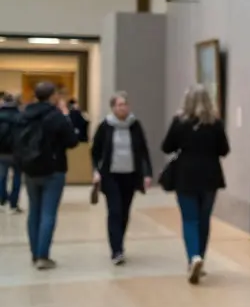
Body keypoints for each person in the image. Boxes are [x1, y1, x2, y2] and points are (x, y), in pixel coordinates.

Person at [161, 85, 229, 284]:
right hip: (210, 176)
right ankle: (201, 258)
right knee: (204, 219)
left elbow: (166, 147)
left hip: (185, 175)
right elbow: (224, 150)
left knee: (190, 219)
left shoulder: (179, 122)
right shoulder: (215, 123)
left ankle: (193, 257)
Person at [15, 82, 79, 269]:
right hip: (54, 169)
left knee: (34, 211)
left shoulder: (24, 115)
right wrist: (66, 117)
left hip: (30, 168)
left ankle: (35, 253)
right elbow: (72, 141)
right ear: (53, 96)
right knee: (48, 212)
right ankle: (43, 256)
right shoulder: (56, 116)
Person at [91, 92, 154, 265]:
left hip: (130, 175)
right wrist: (95, 171)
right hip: (110, 175)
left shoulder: (135, 125)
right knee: (115, 211)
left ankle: (120, 243)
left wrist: (147, 173)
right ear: (113, 107)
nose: (123, 108)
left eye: (125, 104)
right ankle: (116, 250)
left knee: (125, 212)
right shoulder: (105, 126)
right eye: (119, 105)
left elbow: (143, 151)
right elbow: (95, 151)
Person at [0, 93, 23, 213]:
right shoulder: (21, 117)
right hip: (17, 152)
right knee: (17, 177)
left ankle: (1, 200)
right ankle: (14, 204)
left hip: (1, 152)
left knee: (1, 177)